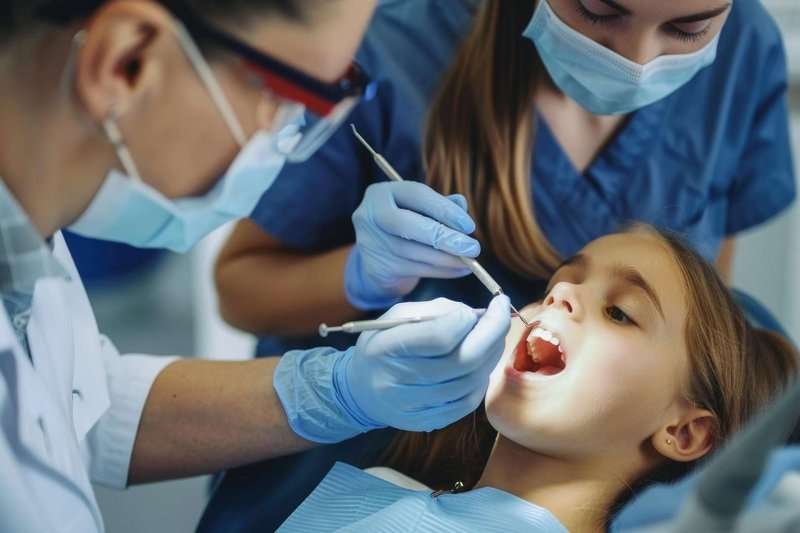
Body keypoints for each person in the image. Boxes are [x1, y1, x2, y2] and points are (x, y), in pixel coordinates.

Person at [204, 0, 797, 527]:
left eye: (619, 312)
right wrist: (363, 274)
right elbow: (239, 286)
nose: (638, 60)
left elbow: (709, 315)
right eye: (599, 11)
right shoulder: (393, 46)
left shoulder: (744, 52)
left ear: (685, 430)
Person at [0, 1, 513, 531]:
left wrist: (344, 389)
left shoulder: (23, 240)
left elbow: (79, 409)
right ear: (126, 61)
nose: (290, 140)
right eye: (296, 97)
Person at [278, 226, 799, 532]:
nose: (560, 295)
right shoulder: (380, 490)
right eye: (560, 283)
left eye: (620, 312)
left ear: (683, 431)